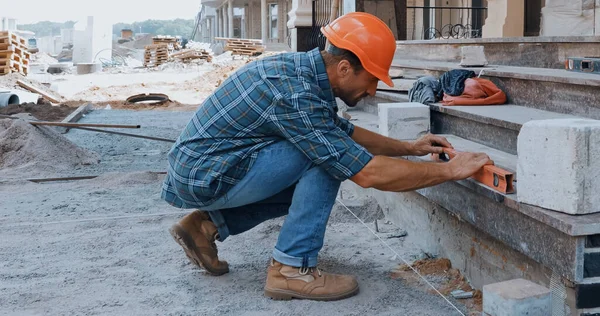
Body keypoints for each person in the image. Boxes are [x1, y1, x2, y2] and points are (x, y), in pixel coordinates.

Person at [162, 12, 490, 302]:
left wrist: (411, 147)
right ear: (345, 67)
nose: (374, 91)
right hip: (205, 175)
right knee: (325, 160)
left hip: (206, 168)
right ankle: (293, 268)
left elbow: (341, 131)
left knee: (326, 149)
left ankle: (204, 225)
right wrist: (451, 172)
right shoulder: (296, 93)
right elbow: (367, 173)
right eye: (372, 78)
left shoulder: (303, 75)